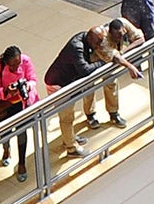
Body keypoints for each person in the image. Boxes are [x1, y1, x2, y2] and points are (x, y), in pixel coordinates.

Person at [44, 27, 109, 158]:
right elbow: (85, 70)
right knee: (67, 117)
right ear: (90, 39)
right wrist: (103, 62)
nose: (99, 46)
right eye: (97, 43)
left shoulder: (85, 38)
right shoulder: (77, 47)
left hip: (68, 82)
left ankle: (69, 138)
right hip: (58, 86)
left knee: (69, 116)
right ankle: (71, 148)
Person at [0, 44, 38, 181]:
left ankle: (21, 163)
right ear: (6, 62)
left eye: (18, 63)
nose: (15, 67)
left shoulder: (26, 60)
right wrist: (7, 91)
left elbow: (33, 79)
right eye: (12, 65)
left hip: (22, 103)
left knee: (22, 132)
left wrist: (26, 86)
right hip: (6, 104)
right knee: (6, 131)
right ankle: (6, 149)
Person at [95, 18, 146, 125]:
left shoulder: (123, 23)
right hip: (97, 57)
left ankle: (113, 113)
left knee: (111, 82)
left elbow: (140, 39)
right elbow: (116, 58)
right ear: (110, 33)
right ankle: (90, 114)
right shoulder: (103, 40)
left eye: (122, 35)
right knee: (89, 86)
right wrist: (130, 66)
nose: (120, 38)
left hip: (115, 55)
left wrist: (124, 51)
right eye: (117, 36)